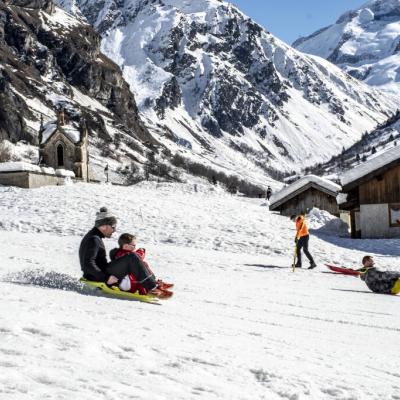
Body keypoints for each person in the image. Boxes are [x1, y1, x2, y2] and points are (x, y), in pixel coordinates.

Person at [79, 207, 169, 299]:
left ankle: (151, 285)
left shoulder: (95, 237)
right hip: (97, 276)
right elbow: (87, 264)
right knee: (132, 257)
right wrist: (106, 278)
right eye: (113, 227)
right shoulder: (93, 239)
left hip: (101, 272)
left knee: (131, 258)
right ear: (103, 226)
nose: (114, 230)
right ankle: (152, 288)